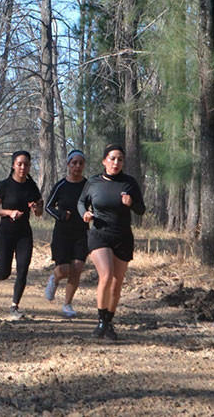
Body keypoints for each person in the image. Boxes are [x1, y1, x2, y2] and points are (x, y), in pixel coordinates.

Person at [77, 144, 145, 340]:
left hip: (122, 236)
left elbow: (141, 209)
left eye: (120, 159)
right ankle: (100, 321)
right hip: (99, 234)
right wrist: (85, 213)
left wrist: (131, 203)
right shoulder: (93, 182)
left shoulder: (129, 183)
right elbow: (81, 202)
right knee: (106, 275)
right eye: (113, 158)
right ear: (104, 161)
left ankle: (109, 322)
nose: (116, 162)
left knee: (116, 283)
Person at [0, 150, 43, 320]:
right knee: (5, 272)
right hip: (6, 233)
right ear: (13, 165)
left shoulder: (32, 186)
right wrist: (9, 212)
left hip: (24, 233)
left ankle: (14, 306)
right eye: (20, 164)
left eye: (26, 164)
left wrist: (36, 208)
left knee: (23, 269)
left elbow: (39, 211)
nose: (23, 167)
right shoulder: (5, 185)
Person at [43, 149, 89, 318]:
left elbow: (96, 204)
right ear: (68, 164)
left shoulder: (88, 185)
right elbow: (48, 206)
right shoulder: (61, 185)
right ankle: (54, 279)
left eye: (81, 163)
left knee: (77, 268)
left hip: (81, 233)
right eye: (74, 163)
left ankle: (67, 304)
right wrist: (61, 215)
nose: (77, 166)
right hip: (62, 233)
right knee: (63, 269)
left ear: (84, 165)